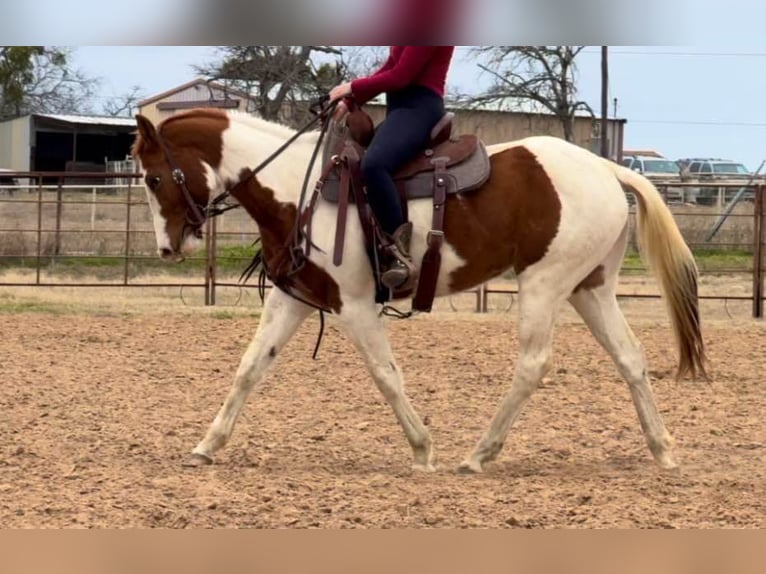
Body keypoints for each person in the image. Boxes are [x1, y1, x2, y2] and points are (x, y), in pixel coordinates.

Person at [328, 46, 455, 291]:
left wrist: (351, 87)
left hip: (419, 110)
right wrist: (349, 101)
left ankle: (398, 254)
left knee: (374, 165)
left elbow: (400, 76)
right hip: (399, 111)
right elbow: (390, 66)